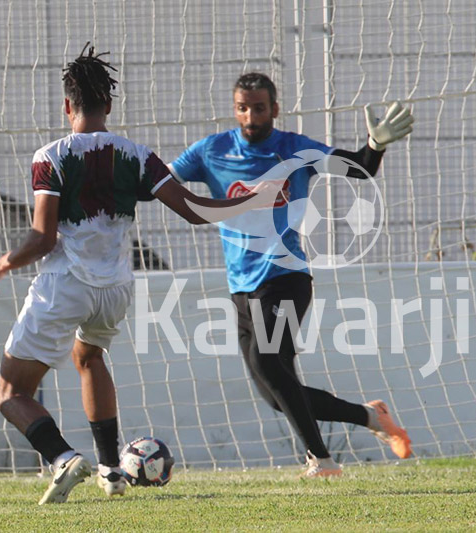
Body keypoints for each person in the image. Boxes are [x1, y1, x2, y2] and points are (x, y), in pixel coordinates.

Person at [0, 45, 281, 504]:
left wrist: (1, 263)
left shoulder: (51, 156)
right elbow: (195, 211)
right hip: (116, 287)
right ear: (109, 105)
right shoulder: (137, 155)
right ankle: (111, 470)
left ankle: (61, 458)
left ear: (67, 105)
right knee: (89, 359)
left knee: (11, 391)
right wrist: (253, 199)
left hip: (67, 284)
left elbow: (42, 238)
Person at [168, 72, 415, 477]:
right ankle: (372, 418)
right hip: (240, 289)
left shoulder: (294, 149)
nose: (251, 116)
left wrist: (375, 145)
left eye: (259, 108)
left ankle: (323, 461)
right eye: (243, 108)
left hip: (285, 277)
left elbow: (360, 168)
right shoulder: (212, 151)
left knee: (268, 364)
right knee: (275, 393)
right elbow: (161, 181)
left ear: (275, 109)